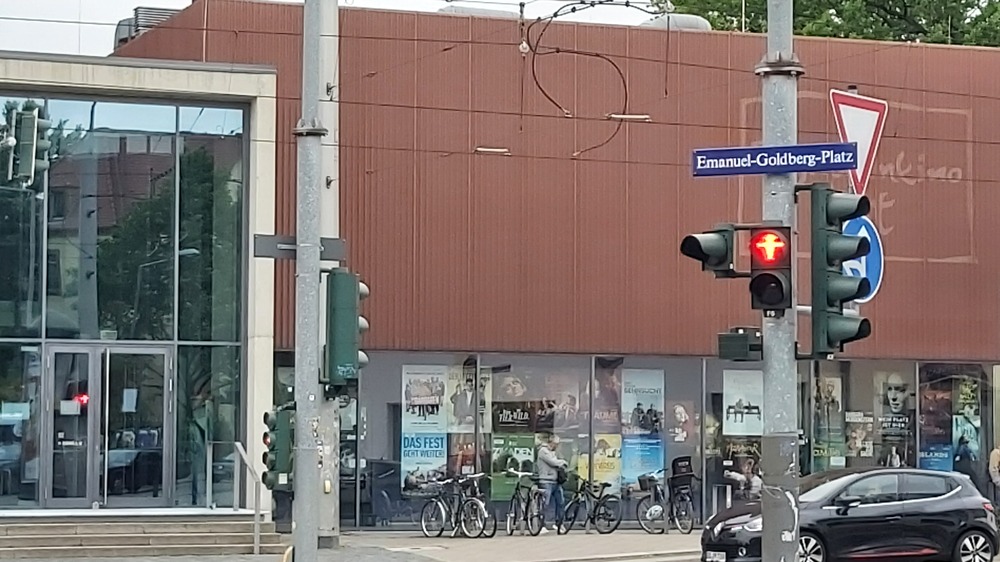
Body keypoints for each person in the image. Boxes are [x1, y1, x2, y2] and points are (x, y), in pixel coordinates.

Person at [536, 433, 567, 533]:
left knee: (561, 502)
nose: (557, 446)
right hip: (546, 480)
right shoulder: (543, 451)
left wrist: (559, 460)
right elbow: (553, 462)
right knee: (545, 504)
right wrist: (562, 462)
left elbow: (556, 461)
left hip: (555, 481)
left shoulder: (554, 452)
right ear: (551, 442)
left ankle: (559, 524)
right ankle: (541, 525)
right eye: (556, 444)